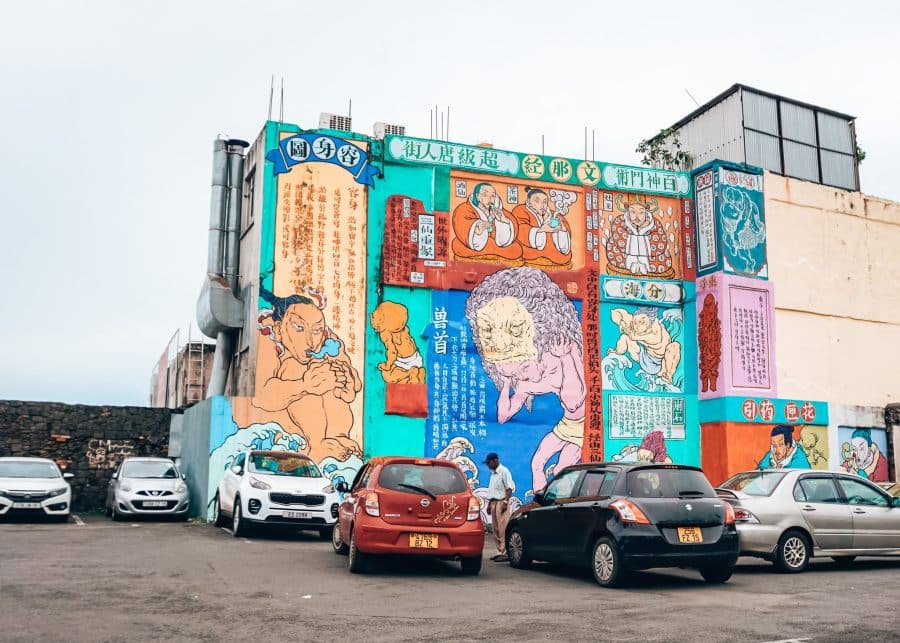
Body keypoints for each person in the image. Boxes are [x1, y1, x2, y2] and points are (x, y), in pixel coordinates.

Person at [466, 268, 585, 495]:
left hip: (582, 427)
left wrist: (566, 358)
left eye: (515, 329)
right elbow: (503, 416)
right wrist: (506, 383)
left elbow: (577, 400)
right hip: (567, 426)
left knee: (562, 469)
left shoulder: (565, 352)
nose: (501, 343)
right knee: (537, 464)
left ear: (543, 323)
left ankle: (562, 508)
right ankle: (542, 506)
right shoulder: (523, 381)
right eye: (489, 332)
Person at [451, 182, 523, 264]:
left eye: (492, 196)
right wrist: (476, 228)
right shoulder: (465, 208)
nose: (490, 199)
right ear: (477, 197)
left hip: (496, 246)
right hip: (475, 246)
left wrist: (504, 222)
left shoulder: (500, 211)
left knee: (516, 248)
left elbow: (512, 224)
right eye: (485, 195)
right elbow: (461, 222)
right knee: (458, 245)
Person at [511, 187, 572, 269]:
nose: (542, 205)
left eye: (545, 202)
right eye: (537, 201)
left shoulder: (555, 215)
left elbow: (566, 234)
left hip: (556, 256)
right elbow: (520, 229)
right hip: (530, 255)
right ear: (528, 202)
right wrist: (541, 229)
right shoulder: (521, 210)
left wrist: (562, 230)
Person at [485, 452, 515, 562]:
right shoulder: (493, 474)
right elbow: (492, 490)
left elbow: (509, 488)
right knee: (495, 529)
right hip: (493, 502)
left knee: (503, 528)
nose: (487, 465)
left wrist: (506, 502)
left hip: (502, 501)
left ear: (495, 461)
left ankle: (505, 552)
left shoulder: (504, 471)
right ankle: (499, 551)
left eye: (488, 462)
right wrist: (489, 504)